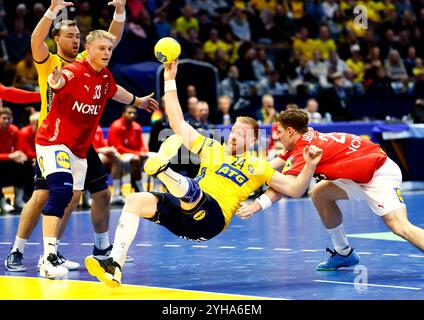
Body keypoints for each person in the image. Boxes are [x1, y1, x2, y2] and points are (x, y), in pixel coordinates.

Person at [84, 60, 323, 287]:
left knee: (192, 191)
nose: (232, 135)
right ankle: (115, 264)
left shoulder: (259, 166)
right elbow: (178, 124)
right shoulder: (212, 147)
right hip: (184, 214)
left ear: (251, 140)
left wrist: (310, 165)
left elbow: (295, 189)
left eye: (240, 133)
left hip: (211, 219)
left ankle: (163, 171)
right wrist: (170, 81)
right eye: (233, 130)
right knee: (136, 200)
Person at [5, 0, 128, 273]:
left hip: (81, 140)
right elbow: (36, 39)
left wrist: (120, 11)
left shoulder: (86, 61)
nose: (76, 39)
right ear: (57, 39)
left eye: (78, 36)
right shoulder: (49, 61)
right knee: (42, 196)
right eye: (69, 35)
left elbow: (112, 40)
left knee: (84, 194)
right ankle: (17, 251)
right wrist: (51, 10)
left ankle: (61, 252)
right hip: (53, 138)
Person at [35, 29, 157, 279]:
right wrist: (55, 81)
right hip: (54, 141)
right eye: (101, 48)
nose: (106, 53)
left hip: (79, 149)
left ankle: (54, 254)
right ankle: (47, 259)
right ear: (88, 49)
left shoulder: (104, 78)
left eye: (110, 49)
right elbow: (59, 81)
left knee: (72, 196)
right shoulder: (74, 70)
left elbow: (115, 91)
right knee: (59, 192)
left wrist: (139, 101)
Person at [237, 108, 424, 271]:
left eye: (279, 132)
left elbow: (286, 187)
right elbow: (271, 167)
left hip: (378, 173)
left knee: (400, 227)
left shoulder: (305, 149)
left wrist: (256, 205)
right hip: (357, 174)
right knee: (320, 193)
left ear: (290, 131)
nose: (276, 136)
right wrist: (245, 172)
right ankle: (344, 253)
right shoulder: (304, 135)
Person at [108, 105, 149, 194]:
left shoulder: (137, 127)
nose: (132, 115)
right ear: (123, 114)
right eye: (129, 113)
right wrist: (138, 153)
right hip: (120, 156)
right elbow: (118, 148)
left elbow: (141, 144)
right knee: (135, 159)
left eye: (134, 113)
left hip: (134, 154)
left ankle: (156, 189)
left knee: (156, 158)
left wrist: (144, 151)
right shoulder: (116, 126)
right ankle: (139, 189)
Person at [0, 107, 33, 213]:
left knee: (26, 165)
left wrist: (20, 155)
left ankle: (19, 199)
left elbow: (18, 148)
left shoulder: (14, 130)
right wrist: (10, 156)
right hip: (3, 160)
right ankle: (2, 201)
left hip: (10, 161)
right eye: (4, 118)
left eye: (9, 118)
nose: (6, 121)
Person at [92, 125, 125, 205]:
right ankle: (89, 197)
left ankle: (116, 194)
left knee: (116, 158)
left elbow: (102, 144)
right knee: (92, 162)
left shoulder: (98, 127)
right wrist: (99, 150)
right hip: (88, 155)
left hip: (98, 153)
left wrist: (109, 149)